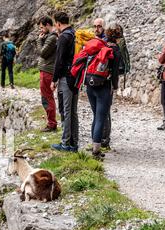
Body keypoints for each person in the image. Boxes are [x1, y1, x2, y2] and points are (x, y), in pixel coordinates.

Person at [85, 24, 121, 159]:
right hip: (104, 86)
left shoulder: (99, 45)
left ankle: (94, 144)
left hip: (90, 84)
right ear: (118, 37)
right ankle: (96, 151)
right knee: (101, 117)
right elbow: (115, 72)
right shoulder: (115, 50)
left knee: (96, 116)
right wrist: (115, 87)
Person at [51, 12, 79, 152]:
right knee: (73, 111)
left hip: (66, 78)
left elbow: (59, 61)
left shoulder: (63, 37)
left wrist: (54, 79)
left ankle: (65, 143)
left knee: (66, 111)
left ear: (58, 23)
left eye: (55, 24)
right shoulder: (74, 34)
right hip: (76, 77)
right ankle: (74, 143)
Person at [36, 16, 58, 132]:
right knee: (46, 97)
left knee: (47, 97)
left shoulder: (52, 38)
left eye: (42, 27)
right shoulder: (50, 37)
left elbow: (42, 53)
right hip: (46, 70)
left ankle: (52, 123)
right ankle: (51, 122)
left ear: (48, 25)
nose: (41, 30)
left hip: (47, 71)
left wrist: (39, 40)